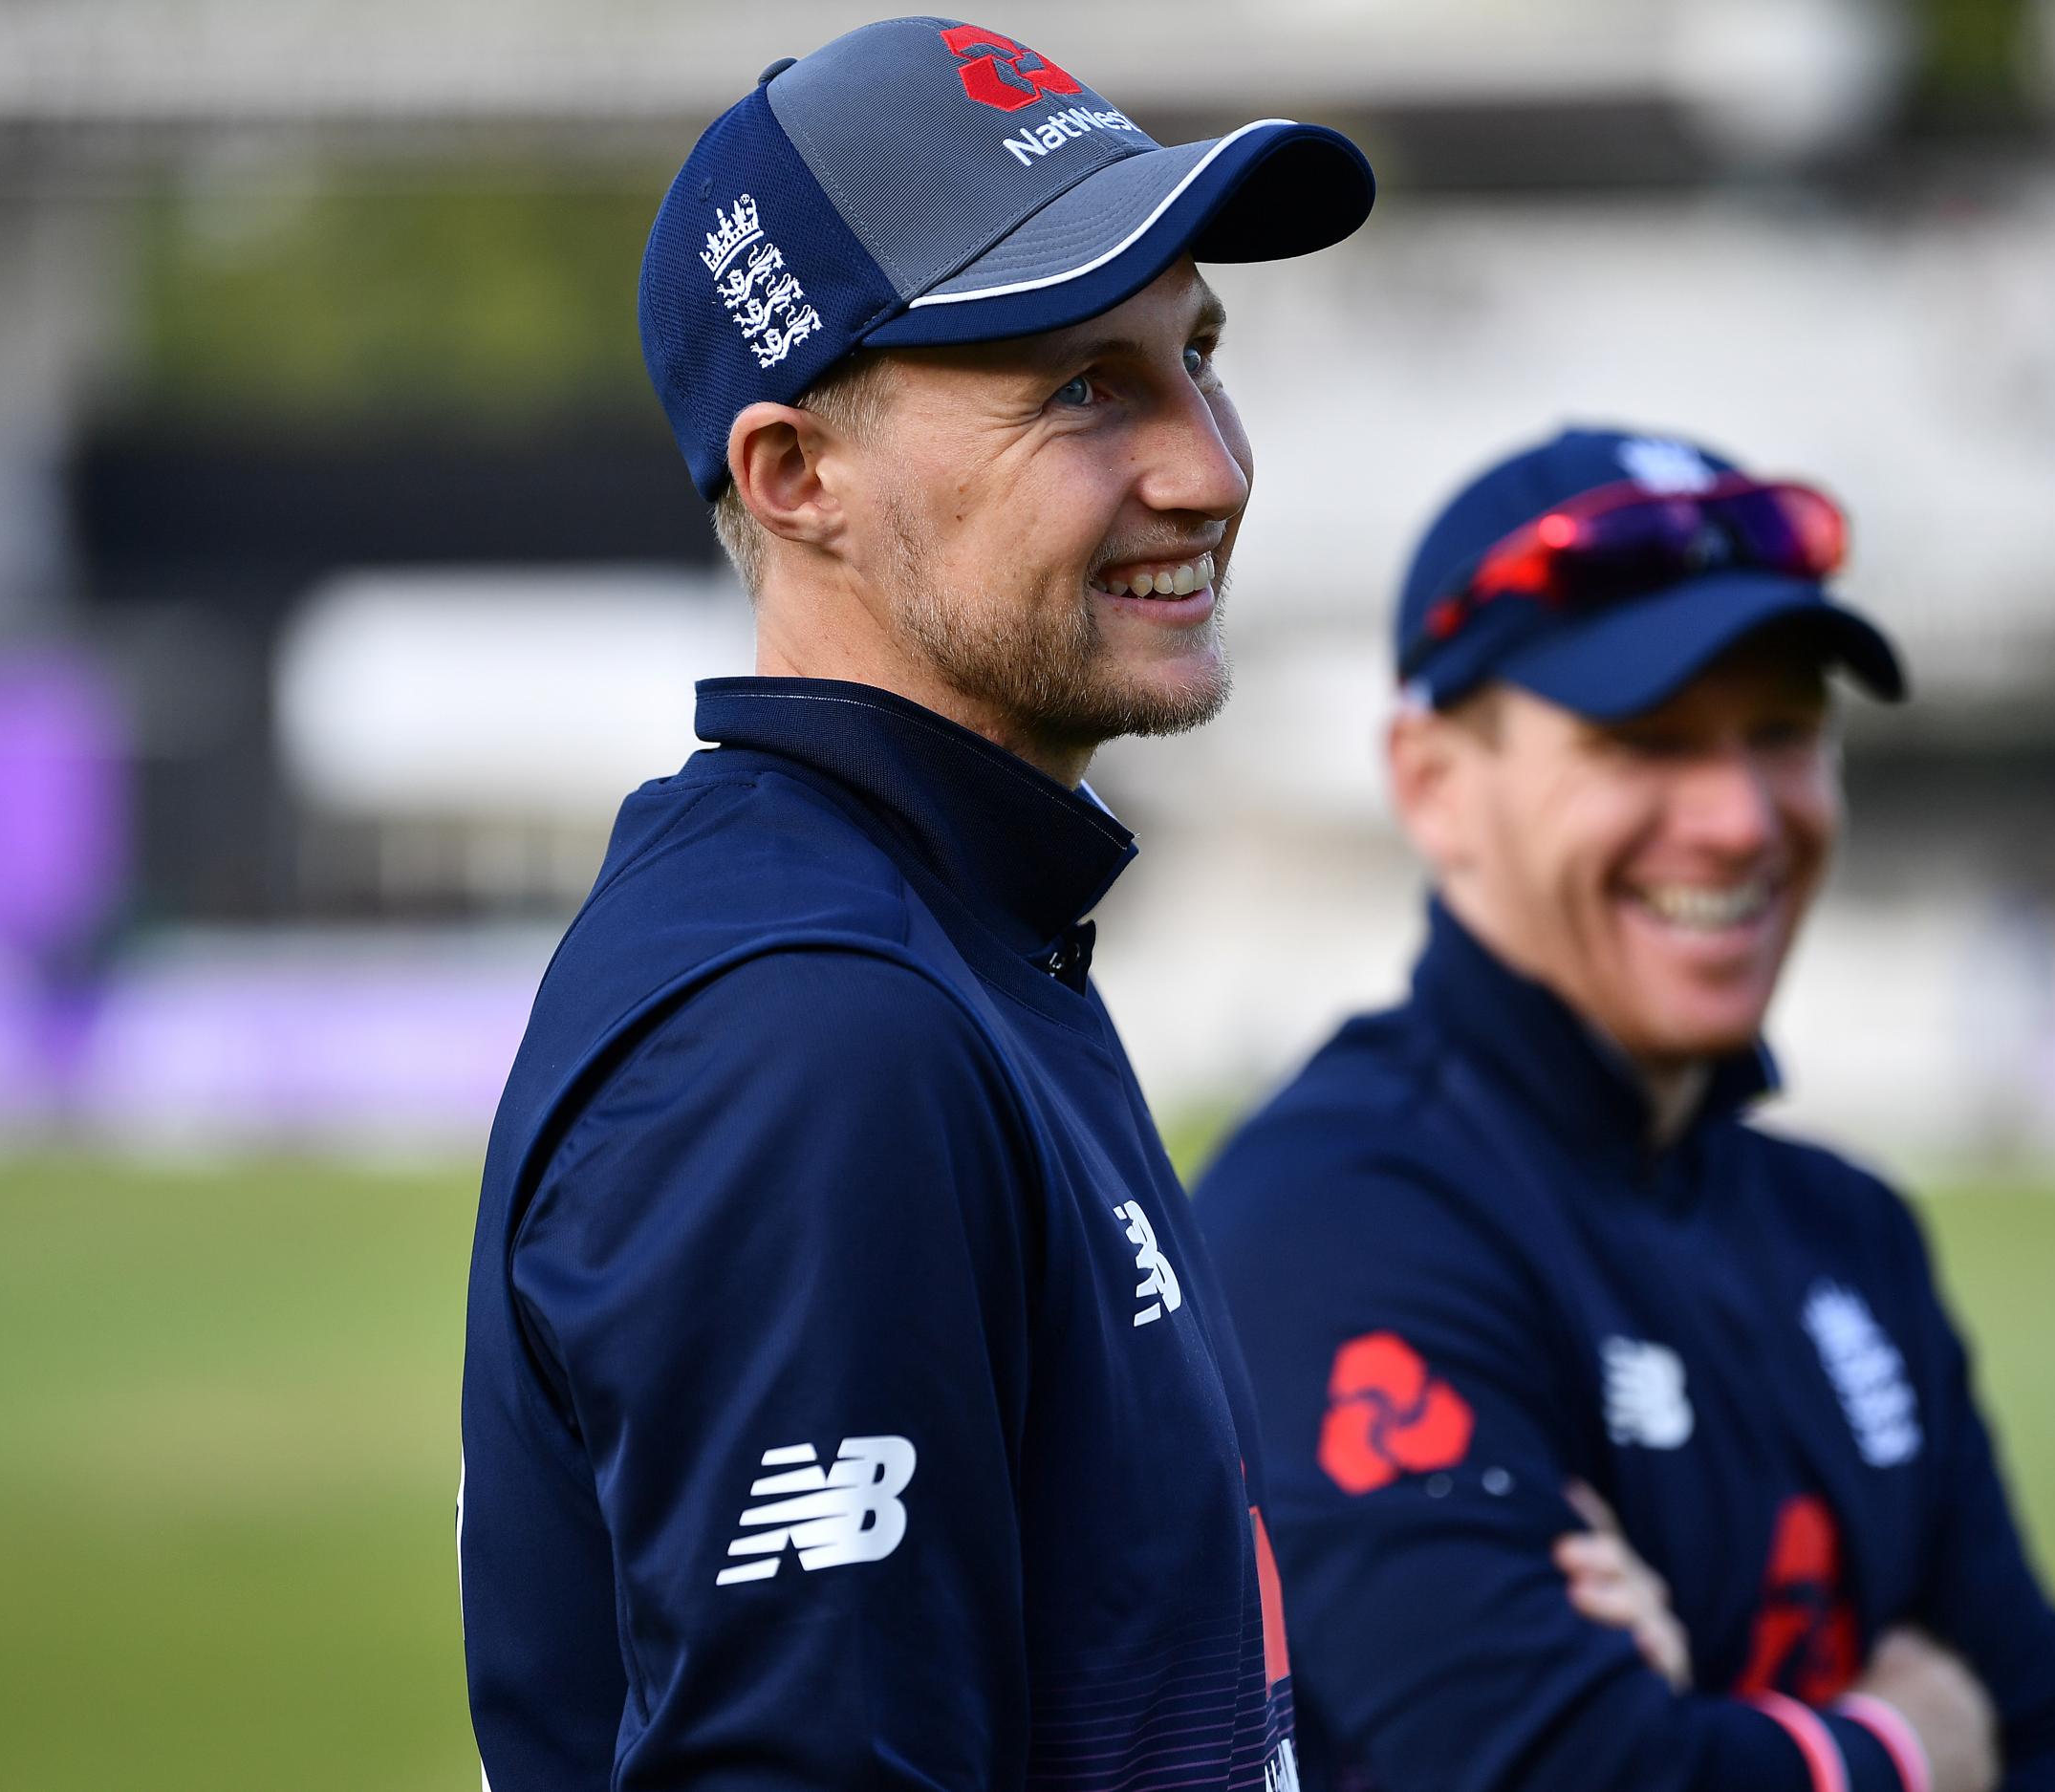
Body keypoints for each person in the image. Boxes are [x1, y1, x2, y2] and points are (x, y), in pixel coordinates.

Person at [457, 19, 1372, 1788]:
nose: (1211, 467)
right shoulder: (816, 1030)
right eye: (1081, 390)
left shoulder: (950, 928)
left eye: (1195, 355)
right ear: (799, 480)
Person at [1197, 428, 2055, 1792]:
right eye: (1647, 740)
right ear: (1433, 785)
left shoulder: (1848, 1227)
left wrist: (1712, 1745)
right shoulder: (1334, 1227)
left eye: (1784, 732)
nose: (1742, 817)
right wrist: (1901, 1751)